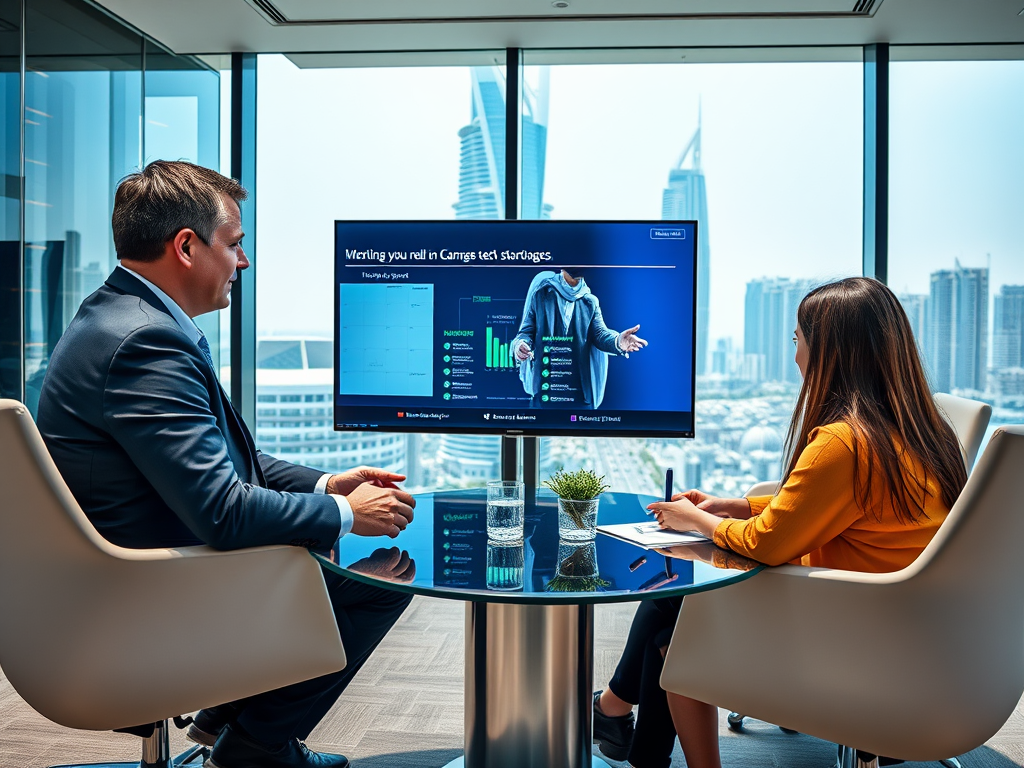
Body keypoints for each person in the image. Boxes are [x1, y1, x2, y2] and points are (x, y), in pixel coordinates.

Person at [36, 160, 417, 768]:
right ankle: (255, 747)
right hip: (140, 604)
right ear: (186, 246)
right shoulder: (146, 343)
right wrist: (346, 512)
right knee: (381, 580)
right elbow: (221, 510)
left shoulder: (119, 317)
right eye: (235, 244)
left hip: (115, 583)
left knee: (314, 539)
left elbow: (229, 462)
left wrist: (326, 484)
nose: (244, 261)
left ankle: (225, 722)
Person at [592, 277, 968, 768]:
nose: (794, 357)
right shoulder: (920, 430)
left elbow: (768, 544)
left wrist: (695, 521)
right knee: (673, 609)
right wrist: (732, 506)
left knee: (674, 620)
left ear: (832, 350)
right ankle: (618, 721)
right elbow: (843, 512)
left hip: (855, 635)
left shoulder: (845, 443)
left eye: (797, 340)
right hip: (913, 631)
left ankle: (616, 718)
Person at [512, 268, 647, 409]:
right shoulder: (541, 295)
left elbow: (600, 335)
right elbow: (526, 332)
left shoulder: (590, 302)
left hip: (579, 395)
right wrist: (520, 344)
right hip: (545, 391)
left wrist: (618, 341)